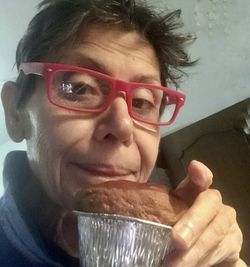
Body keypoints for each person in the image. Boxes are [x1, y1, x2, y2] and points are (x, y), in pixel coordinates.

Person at [0, 0, 247, 266]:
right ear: (15, 113)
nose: (122, 126)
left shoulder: (175, 242)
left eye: (141, 102)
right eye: (80, 88)